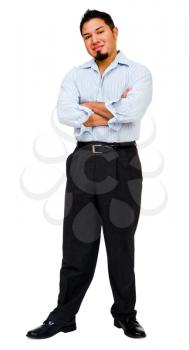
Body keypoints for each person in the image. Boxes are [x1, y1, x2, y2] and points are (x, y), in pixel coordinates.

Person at [26, 9, 152, 340]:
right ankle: (64, 315)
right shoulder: (74, 75)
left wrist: (90, 108)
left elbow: (133, 111)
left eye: (99, 31)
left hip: (122, 162)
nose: (94, 39)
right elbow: (65, 113)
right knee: (77, 243)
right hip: (83, 162)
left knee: (121, 243)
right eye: (87, 35)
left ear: (114, 31)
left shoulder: (138, 73)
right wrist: (110, 109)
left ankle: (125, 314)